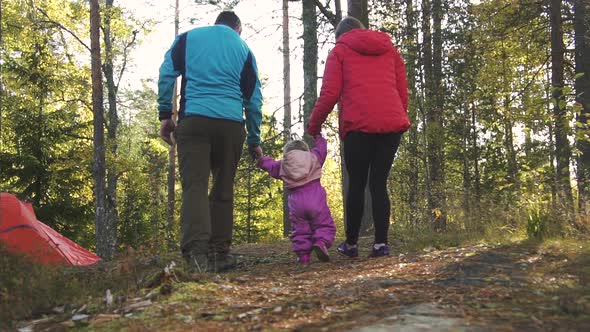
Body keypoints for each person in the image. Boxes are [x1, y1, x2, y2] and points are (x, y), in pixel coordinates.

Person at [157, 11, 263, 273]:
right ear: (237, 29)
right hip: (230, 126)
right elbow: (253, 99)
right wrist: (254, 139)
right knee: (223, 188)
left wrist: (165, 115)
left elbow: (167, 72)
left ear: (217, 23)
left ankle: (196, 257)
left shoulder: (188, 38)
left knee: (195, 187)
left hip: (194, 121)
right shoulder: (244, 50)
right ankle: (219, 254)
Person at [306, 17, 410, 258]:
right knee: (378, 183)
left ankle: (351, 244)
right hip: (391, 125)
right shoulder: (390, 51)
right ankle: (380, 244)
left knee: (357, 184)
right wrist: (396, 116)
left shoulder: (340, 50)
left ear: (340, 35)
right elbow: (402, 91)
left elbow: (330, 93)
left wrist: (314, 126)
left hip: (358, 126)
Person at [257, 135, 336, 265]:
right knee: (324, 224)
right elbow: (322, 148)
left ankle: (303, 256)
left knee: (300, 230)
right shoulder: (313, 157)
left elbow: (270, 165)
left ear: (287, 152)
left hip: (296, 203)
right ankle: (321, 242)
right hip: (315, 198)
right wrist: (318, 136)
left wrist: (261, 160)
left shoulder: (283, 164)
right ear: (305, 150)